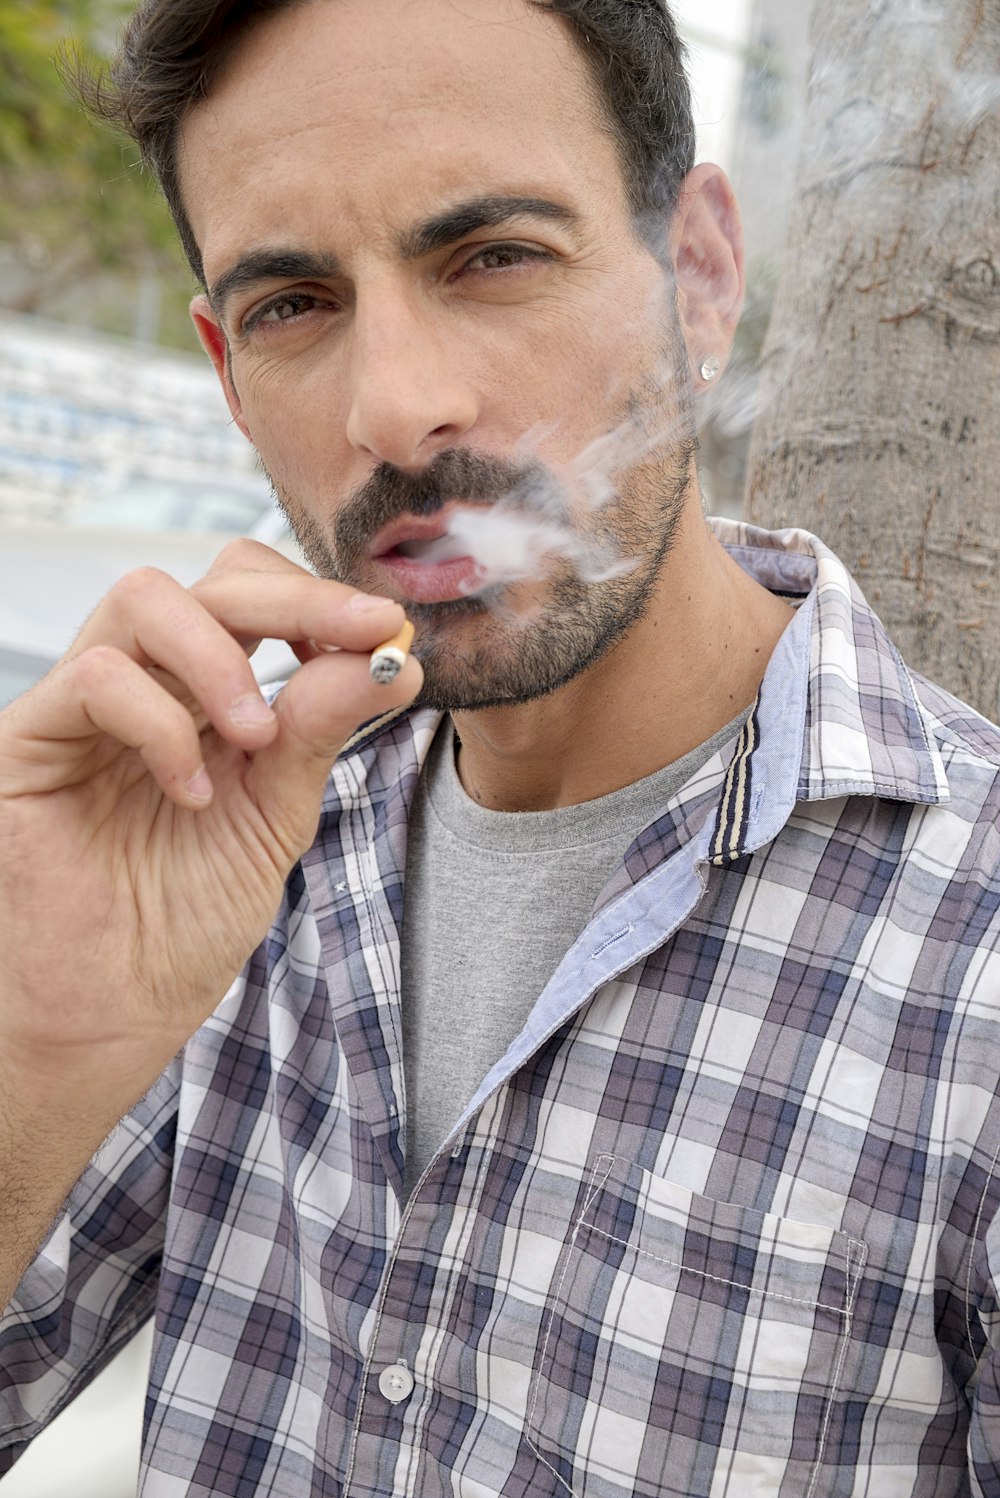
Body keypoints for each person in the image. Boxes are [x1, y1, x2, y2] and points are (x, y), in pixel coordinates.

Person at [2, 0, 1000, 1493]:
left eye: (496, 257)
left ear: (704, 279)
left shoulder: (971, 945)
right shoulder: (222, 836)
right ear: (227, 371)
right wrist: (36, 1034)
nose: (396, 410)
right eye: (293, 304)